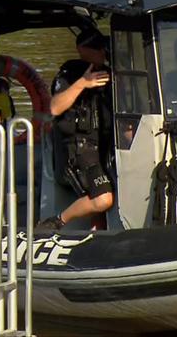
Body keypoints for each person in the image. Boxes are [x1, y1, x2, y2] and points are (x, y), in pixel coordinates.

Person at [38, 27, 114, 230]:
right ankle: (57, 221)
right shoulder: (71, 74)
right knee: (103, 200)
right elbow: (55, 107)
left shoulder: (112, 74)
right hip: (79, 151)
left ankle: (98, 234)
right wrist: (83, 83)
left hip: (105, 149)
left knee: (106, 199)